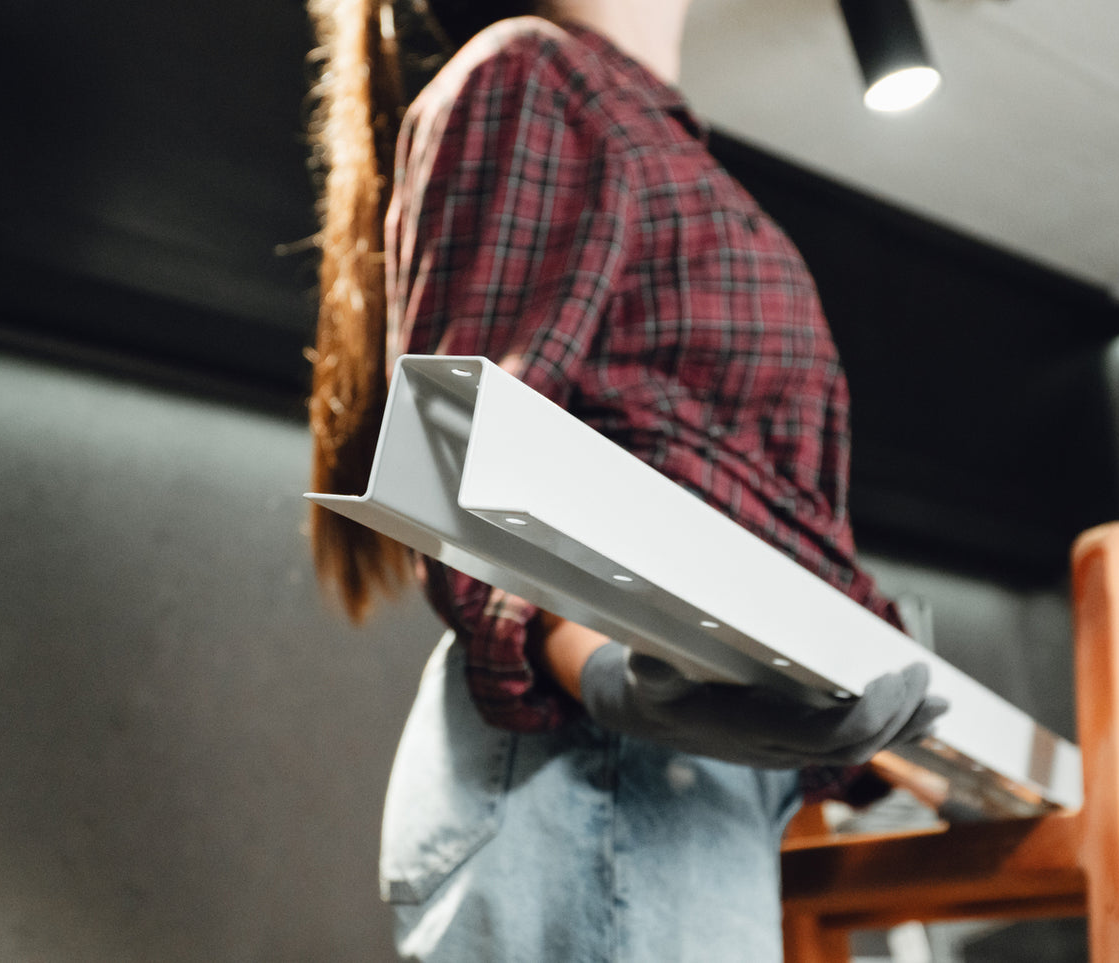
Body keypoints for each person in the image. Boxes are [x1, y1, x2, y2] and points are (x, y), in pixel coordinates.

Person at [305, 0, 947, 959]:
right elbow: (463, 459)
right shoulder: (533, 76)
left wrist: (880, 742)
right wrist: (610, 676)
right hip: (598, 773)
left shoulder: (641, 128)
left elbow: (768, 513)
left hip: (680, 788)